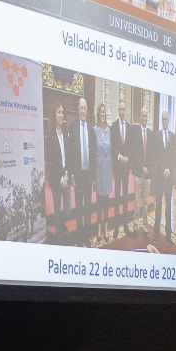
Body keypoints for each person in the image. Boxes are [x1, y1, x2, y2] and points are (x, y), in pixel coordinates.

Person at [69, 95, 94, 241]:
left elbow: (93, 152)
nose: (83, 111)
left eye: (85, 108)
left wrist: (93, 177)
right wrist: (72, 175)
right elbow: (72, 153)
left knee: (88, 207)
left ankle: (87, 236)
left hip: (88, 175)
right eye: (81, 108)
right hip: (78, 175)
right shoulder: (73, 126)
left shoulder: (91, 129)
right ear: (78, 110)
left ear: (87, 110)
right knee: (79, 207)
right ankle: (79, 236)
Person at [44, 101, 70, 237]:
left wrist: (66, 175)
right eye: (59, 112)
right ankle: (59, 230)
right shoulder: (51, 135)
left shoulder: (65, 133)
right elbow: (52, 162)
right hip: (56, 179)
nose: (61, 115)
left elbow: (68, 157)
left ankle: (60, 222)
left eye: (62, 112)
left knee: (67, 209)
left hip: (65, 176)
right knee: (57, 207)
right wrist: (60, 178)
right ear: (54, 115)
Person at [112, 98, 135, 238]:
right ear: (118, 110)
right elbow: (112, 146)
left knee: (126, 196)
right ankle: (115, 226)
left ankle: (125, 224)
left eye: (123, 109)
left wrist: (128, 158)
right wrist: (119, 156)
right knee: (117, 196)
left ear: (125, 111)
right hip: (117, 167)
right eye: (120, 109)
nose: (121, 111)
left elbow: (132, 147)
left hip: (126, 167)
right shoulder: (113, 126)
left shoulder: (130, 127)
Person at [132, 102, 154, 245]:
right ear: (140, 117)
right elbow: (134, 153)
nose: (144, 118)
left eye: (146, 115)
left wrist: (148, 169)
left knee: (145, 203)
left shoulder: (151, 134)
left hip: (148, 175)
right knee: (136, 202)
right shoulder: (135, 132)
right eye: (143, 115)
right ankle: (135, 226)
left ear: (148, 117)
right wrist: (142, 168)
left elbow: (152, 155)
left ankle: (145, 228)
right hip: (138, 173)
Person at [155, 106, 176, 241]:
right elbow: (156, 156)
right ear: (161, 120)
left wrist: (168, 169)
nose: (164, 121)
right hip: (159, 176)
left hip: (168, 178)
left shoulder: (173, 137)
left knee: (168, 205)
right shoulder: (156, 136)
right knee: (158, 205)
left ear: (168, 121)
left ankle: (168, 234)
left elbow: (174, 157)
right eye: (162, 119)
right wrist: (163, 168)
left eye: (166, 119)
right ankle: (156, 232)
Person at [93, 102, 113, 243]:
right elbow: (94, 152)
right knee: (99, 202)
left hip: (107, 169)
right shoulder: (94, 130)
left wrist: (112, 171)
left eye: (104, 113)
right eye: (101, 112)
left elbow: (111, 151)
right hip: (99, 169)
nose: (103, 115)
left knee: (106, 202)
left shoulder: (109, 131)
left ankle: (106, 230)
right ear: (97, 114)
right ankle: (98, 231)